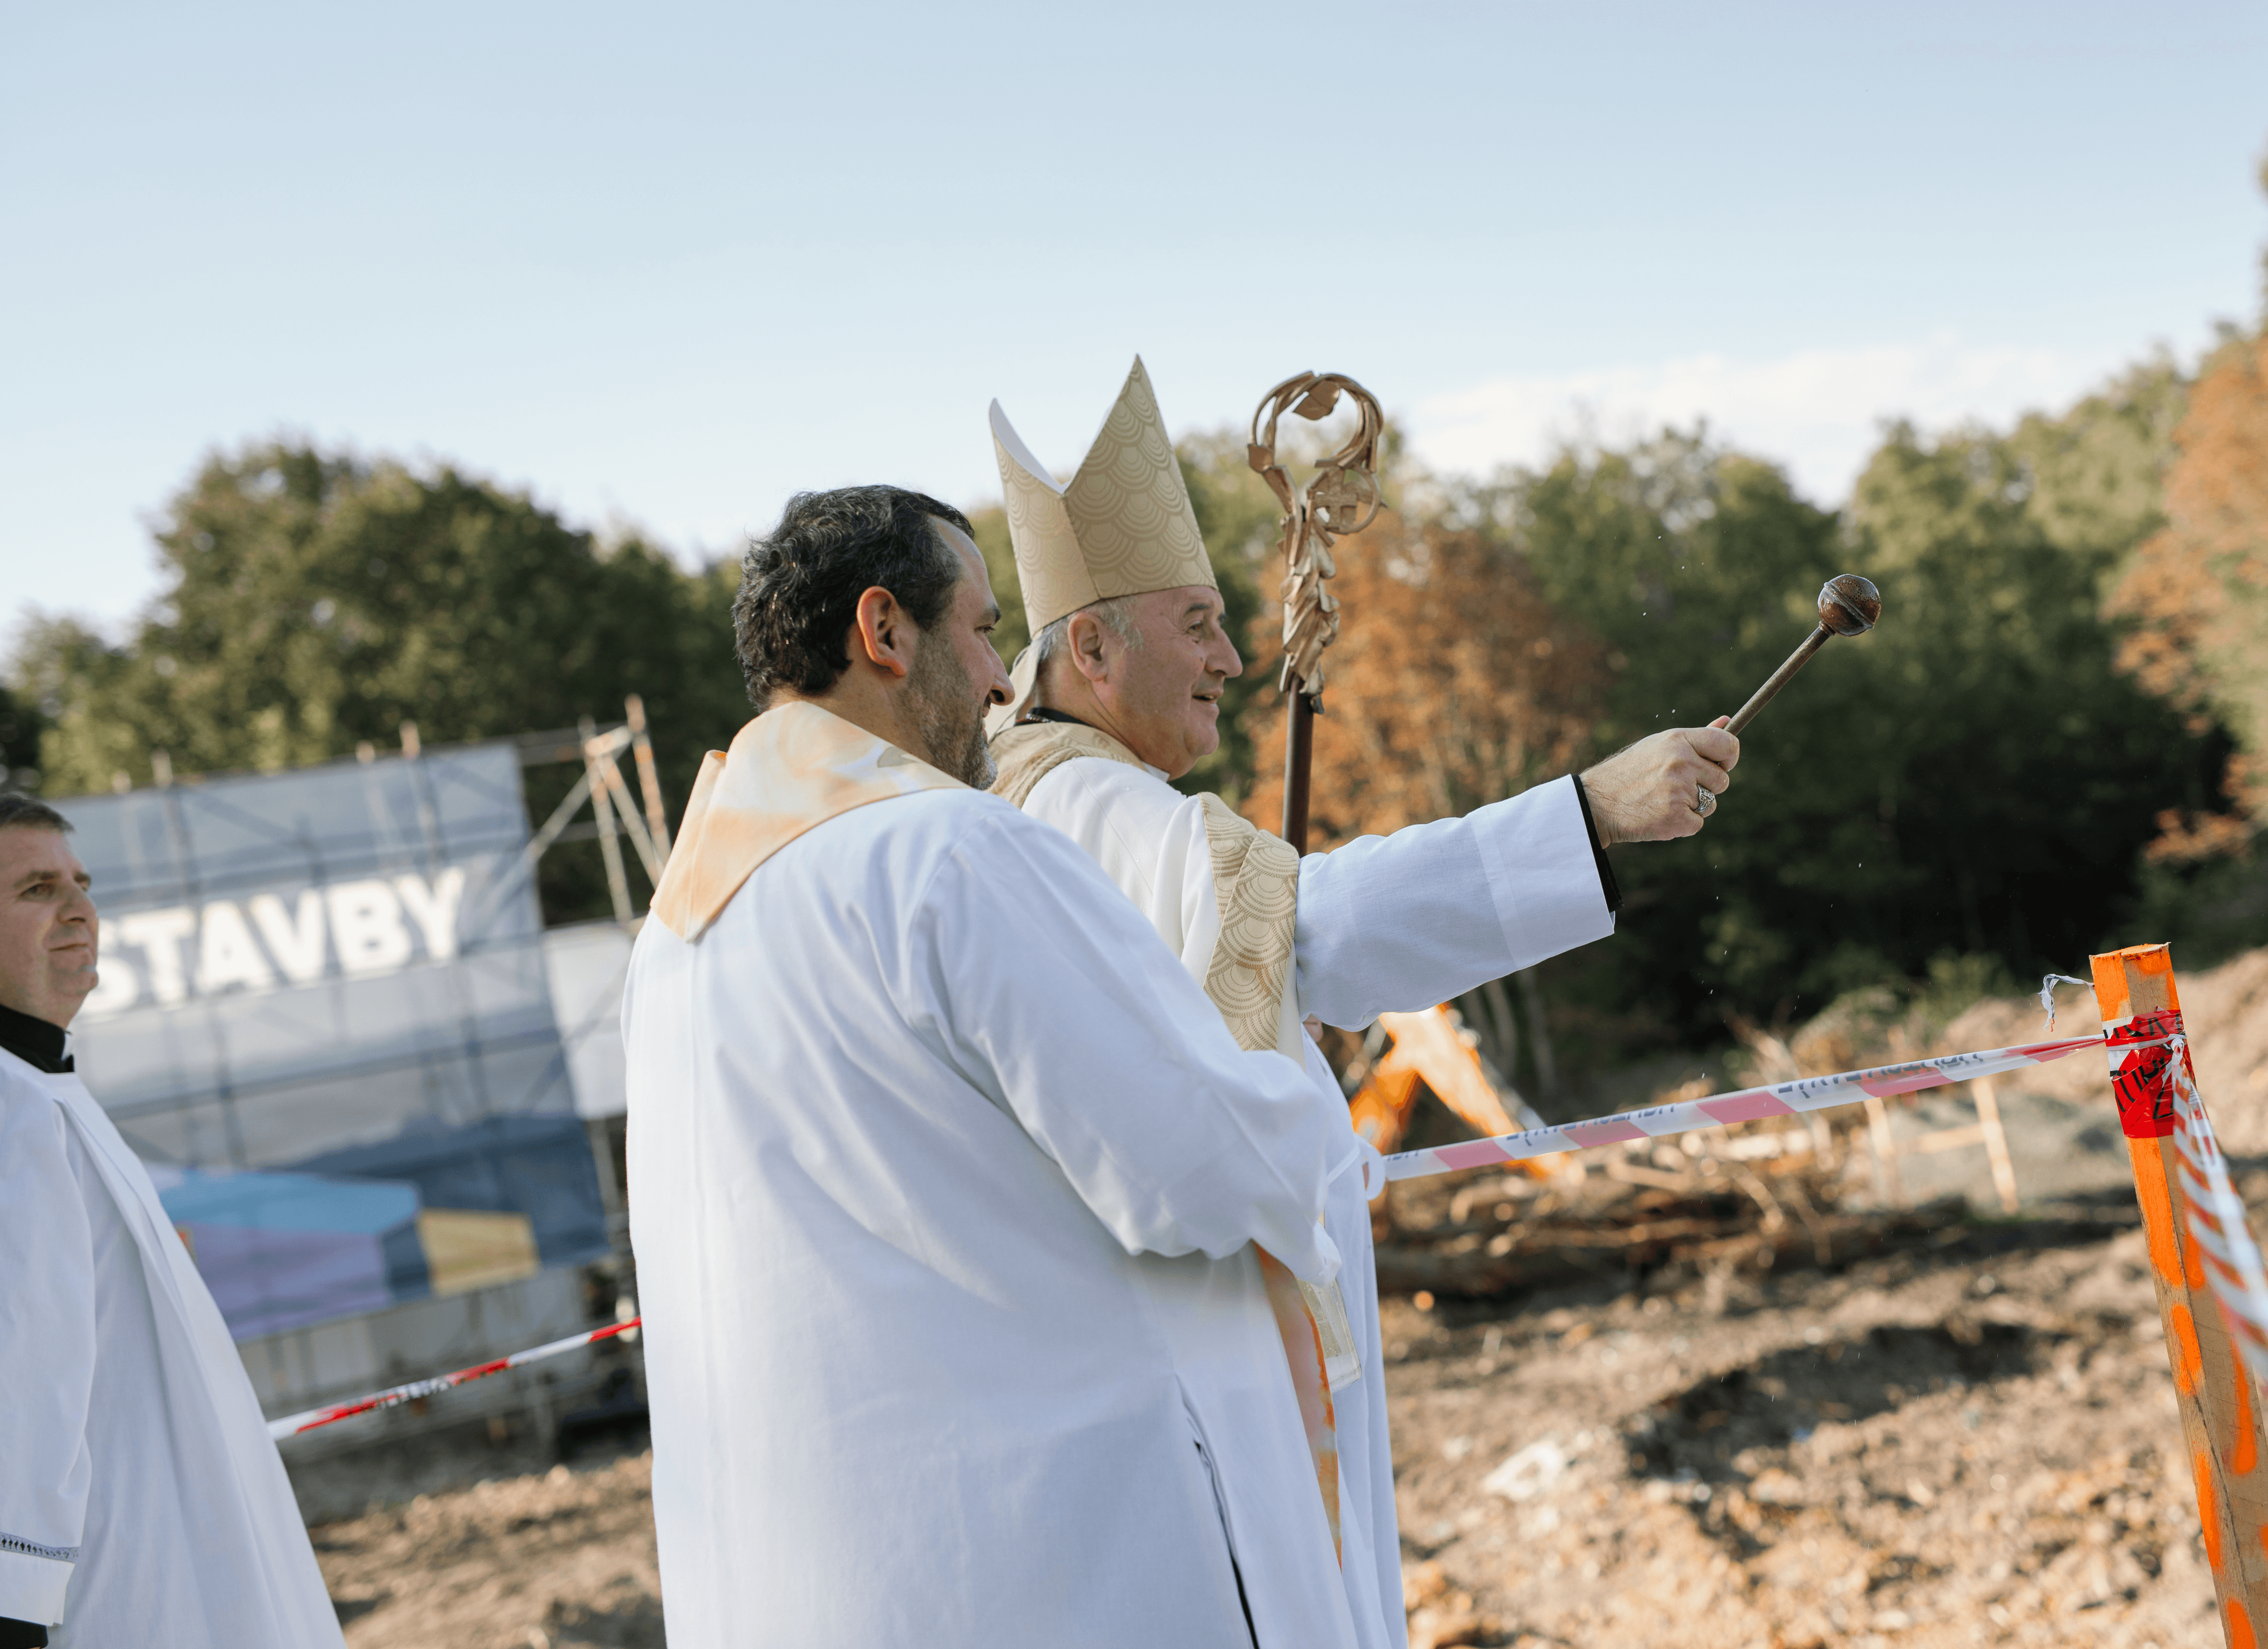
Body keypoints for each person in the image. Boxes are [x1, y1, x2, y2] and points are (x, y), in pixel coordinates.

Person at [984, 358, 1741, 1649]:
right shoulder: (1097, 810)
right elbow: (1322, 927)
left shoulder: (1029, 796)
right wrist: (1593, 813)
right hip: (1193, 1367)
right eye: (1198, 623)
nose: (1233, 657)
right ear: (1094, 648)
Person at [623, 484, 1374, 1646]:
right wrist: (1279, 1071)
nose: (1001, 681)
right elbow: (1194, 1168)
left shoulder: (673, 936)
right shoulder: (948, 851)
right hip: (1037, 1558)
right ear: (883, 631)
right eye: (979, 630)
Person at [0, 795, 345, 1649]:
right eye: (35, 889)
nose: (78, 909)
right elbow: (0, 1409)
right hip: (126, 1607)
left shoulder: (38, 1085)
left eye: (82, 884)